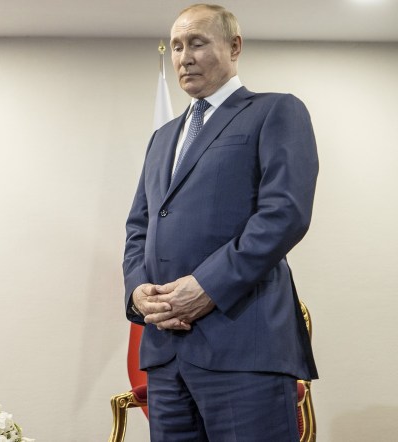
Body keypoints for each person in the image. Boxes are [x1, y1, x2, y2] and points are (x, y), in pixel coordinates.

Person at [122, 4, 318, 441]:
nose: (184, 57)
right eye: (176, 46)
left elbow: (284, 214)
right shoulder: (162, 137)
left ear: (234, 47)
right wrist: (137, 291)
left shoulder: (275, 111)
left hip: (243, 346)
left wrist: (207, 287)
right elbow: (140, 227)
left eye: (197, 43)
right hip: (166, 355)